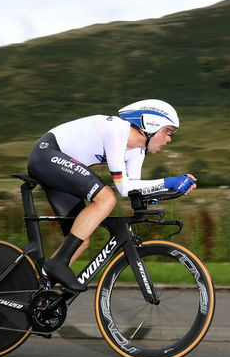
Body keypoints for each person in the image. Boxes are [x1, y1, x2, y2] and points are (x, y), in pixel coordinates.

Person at [27, 99, 196, 291]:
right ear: (151, 125)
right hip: (46, 155)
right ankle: (56, 265)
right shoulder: (116, 130)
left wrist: (172, 190)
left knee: (80, 240)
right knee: (106, 198)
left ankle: (38, 290)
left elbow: (133, 190)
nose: (169, 139)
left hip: (58, 168)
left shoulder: (137, 151)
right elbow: (123, 187)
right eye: (167, 131)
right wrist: (169, 182)